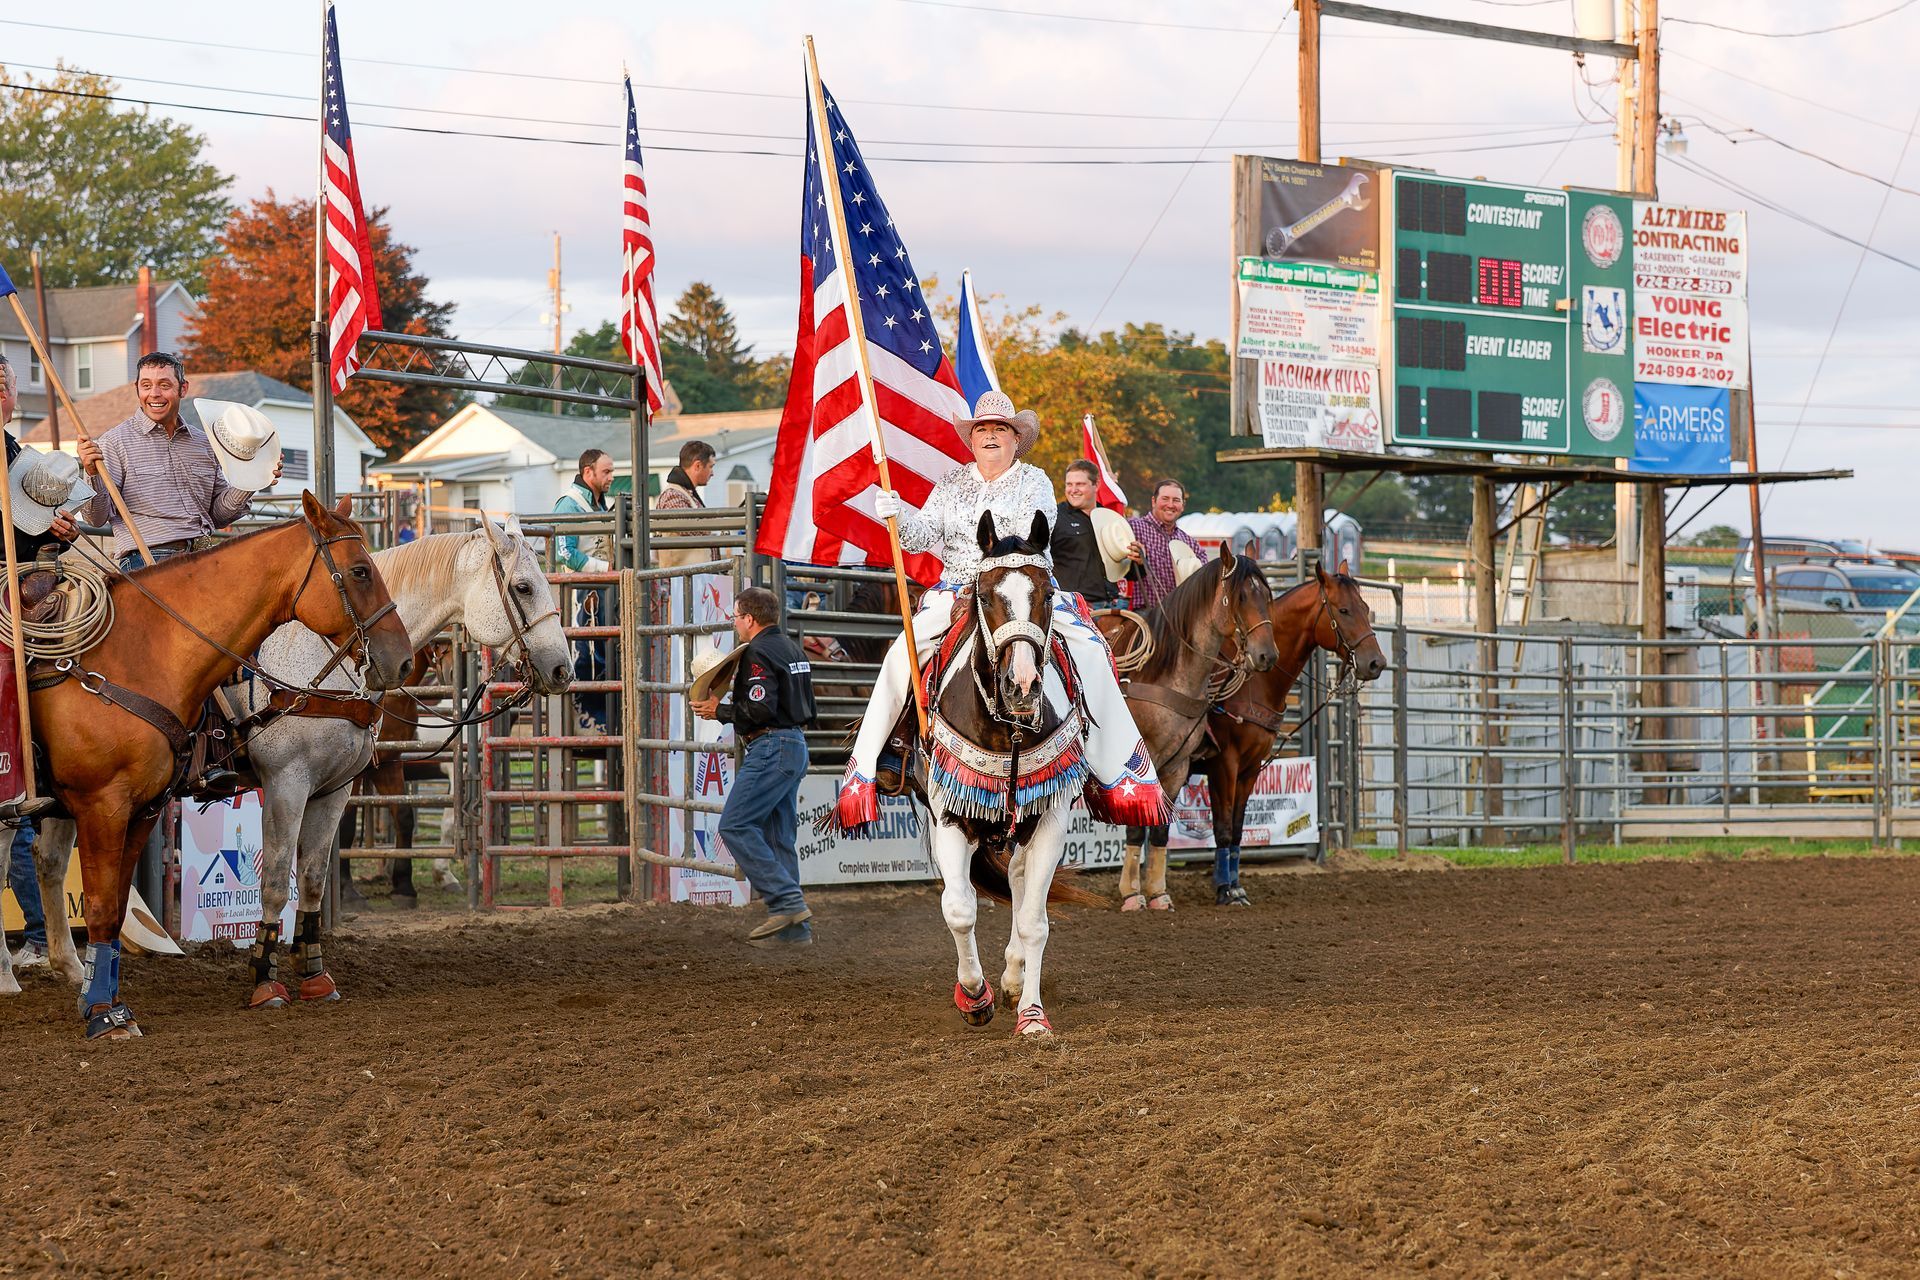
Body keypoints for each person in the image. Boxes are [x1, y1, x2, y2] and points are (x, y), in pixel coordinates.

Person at [843, 391, 1162, 832]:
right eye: (983, 430)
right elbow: (921, 537)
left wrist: (1000, 566)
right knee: (902, 652)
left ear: (1016, 439)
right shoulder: (951, 483)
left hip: (1025, 589)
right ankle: (883, 754)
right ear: (972, 440)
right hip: (960, 588)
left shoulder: (1034, 480)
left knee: (1091, 651)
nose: (991, 436)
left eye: (1000, 430)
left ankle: (1109, 768)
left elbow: (1033, 533)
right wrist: (897, 516)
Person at [1, 352, 80, 960]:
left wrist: (47, 534)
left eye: (6, 380)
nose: (6, 389)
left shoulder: (11, 452)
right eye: (0, 381)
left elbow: (20, 530)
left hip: (18, 579)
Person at [689, 586, 817, 947]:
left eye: (735, 617)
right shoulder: (792, 648)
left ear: (749, 619)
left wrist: (721, 711)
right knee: (780, 838)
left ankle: (787, 904)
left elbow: (759, 709)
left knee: (735, 824)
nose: (735, 624)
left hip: (771, 746)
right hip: (793, 745)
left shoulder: (757, 653)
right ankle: (794, 931)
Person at [76, 352, 279, 573]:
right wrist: (92, 473)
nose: (154, 394)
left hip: (204, 555)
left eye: (164, 385)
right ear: (137, 388)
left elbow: (219, 517)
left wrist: (251, 476)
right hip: (148, 561)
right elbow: (95, 519)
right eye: (146, 385)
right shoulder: (114, 443)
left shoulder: (203, 443)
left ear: (183, 389)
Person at [554, 449, 616, 734]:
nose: (611, 477)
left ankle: (599, 720)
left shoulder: (596, 505)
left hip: (598, 592)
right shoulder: (570, 505)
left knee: (600, 650)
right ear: (587, 472)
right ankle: (588, 722)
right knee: (587, 653)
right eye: (606, 472)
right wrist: (605, 569)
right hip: (581, 593)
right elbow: (564, 552)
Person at [1051, 459, 1139, 608]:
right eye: (1069, 484)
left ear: (1096, 485)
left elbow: (1127, 572)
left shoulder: (1111, 519)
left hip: (1114, 605)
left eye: (1080, 484)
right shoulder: (1053, 517)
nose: (1073, 489)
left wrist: (1139, 559)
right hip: (1073, 608)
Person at [1127, 477, 1204, 612]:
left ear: (1183, 505)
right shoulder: (1132, 528)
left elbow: (1204, 580)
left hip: (1179, 616)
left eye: (1176, 500)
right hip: (1141, 614)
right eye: (1165, 498)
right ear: (1153, 501)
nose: (1170, 504)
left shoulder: (1191, 544)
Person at [654, 439, 714, 570]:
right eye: (710, 467)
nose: (712, 473)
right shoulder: (673, 494)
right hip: (681, 580)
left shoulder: (683, 494)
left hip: (690, 578)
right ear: (698, 466)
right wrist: (711, 524)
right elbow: (684, 524)